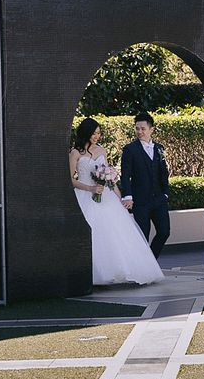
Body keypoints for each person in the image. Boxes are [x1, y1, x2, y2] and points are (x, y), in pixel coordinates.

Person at [69, 117, 164, 286]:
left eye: (98, 133)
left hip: (105, 196)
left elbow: (109, 179)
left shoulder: (102, 150)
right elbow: (70, 180)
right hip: (85, 195)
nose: (96, 137)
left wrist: (120, 198)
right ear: (86, 133)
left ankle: (125, 271)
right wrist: (90, 189)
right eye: (93, 133)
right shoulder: (75, 153)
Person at [119, 111, 171, 258]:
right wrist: (127, 196)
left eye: (143, 129)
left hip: (159, 199)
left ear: (151, 129)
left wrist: (166, 193)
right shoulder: (129, 150)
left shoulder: (159, 148)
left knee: (164, 232)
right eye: (137, 128)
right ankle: (144, 268)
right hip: (140, 201)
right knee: (143, 236)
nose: (139, 132)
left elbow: (164, 173)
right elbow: (125, 175)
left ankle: (151, 261)